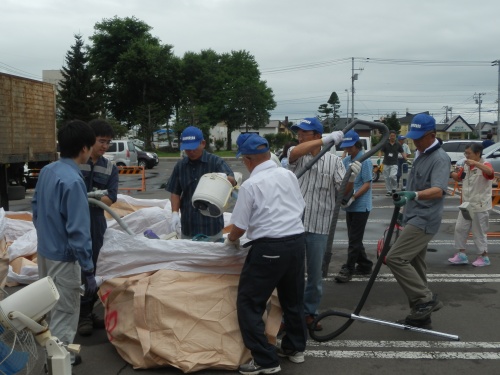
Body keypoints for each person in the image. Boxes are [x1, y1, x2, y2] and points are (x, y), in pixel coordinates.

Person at [225, 133, 307, 374]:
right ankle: (295, 347)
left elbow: (238, 226)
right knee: (292, 298)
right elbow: (299, 205)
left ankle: (265, 360)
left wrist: (230, 241)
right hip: (295, 241)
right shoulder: (287, 174)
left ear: (248, 159)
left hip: (269, 247)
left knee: (249, 302)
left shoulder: (251, 185)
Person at [32, 120, 97, 367]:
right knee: (66, 313)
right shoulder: (74, 181)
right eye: (91, 147)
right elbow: (79, 232)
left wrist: (47, 236)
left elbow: (36, 209)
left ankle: (61, 357)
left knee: (49, 310)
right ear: (84, 148)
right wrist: (88, 268)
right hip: (64, 258)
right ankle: (58, 364)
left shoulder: (49, 171)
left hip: (45, 252)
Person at [385, 113, 451, 329]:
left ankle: (425, 300)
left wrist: (414, 195)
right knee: (415, 264)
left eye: (419, 138)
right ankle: (421, 316)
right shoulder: (422, 153)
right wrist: (406, 204)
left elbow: (439, 190)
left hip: (425, 219)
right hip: (414, 215)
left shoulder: (440, 158)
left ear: (432, 135)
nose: (414, 142)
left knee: (395, 258)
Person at [287, 117, 348, 331]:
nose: (299, 136)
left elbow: (344, 194)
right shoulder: (296, 155)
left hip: (320, 225)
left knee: (314, 276)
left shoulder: (334, 162)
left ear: (315, 134)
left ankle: (309, 312)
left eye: (304, 132)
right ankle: (289, 313)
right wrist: (326, 140)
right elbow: (294, 153)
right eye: (299, 132)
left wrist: (351, 177)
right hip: (293, 225)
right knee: (290, 274)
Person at [77, 119, 119, 336]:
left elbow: (111, 197)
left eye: (108, 142)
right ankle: (80, 315)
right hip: (75, 221)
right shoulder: (76, 163)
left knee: (95, 266)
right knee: (78, 268)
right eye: (101, 141)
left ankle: (87, 311)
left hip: (96, 222)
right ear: (90, 140)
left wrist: (95, 198)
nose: (105, 146)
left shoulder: (109, 167)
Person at [165, 126, 236, 241]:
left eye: (194, 148)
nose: (191, 152)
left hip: (212, 226)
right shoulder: (180, 166)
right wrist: (174, 213)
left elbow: (232, 181)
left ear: (203, 143)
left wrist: (224, 178)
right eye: (187, 149)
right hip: (188, 226)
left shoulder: (216, 162)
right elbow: (175, 192)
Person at [334, 130, 373, 283]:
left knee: (354, 239)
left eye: (350, 146)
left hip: (361, 206)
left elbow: (367, 183)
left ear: (357, 145)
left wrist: (354, 196)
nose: (348, 149)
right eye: (346, 147)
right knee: (354, 238)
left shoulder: (366, 160)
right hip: (349, 205)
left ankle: (348, 268)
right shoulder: (346, 161)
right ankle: (365, 264)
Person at [448, 143, 494, 267]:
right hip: (466, 204)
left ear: (477, 153)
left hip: (479, 205)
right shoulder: (466, 166)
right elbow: (459, 178)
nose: (466, 155)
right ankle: (461, 254)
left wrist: (476, 164)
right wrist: (450, 171)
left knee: (479, 232)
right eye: (465, 153)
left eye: (469, 153)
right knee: (460, 228)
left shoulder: (485, 164)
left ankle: (483, 256)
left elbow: (490, 172)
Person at [378, 130, 406, 196]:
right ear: (389, 136)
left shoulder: (398, 144)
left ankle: (394, 188)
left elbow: (402, 152)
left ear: (395, 136)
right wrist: (379, 158)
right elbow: (381, 151)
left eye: (393, 136)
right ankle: (389, 191)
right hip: (386, 163)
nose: (392, 137)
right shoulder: (386, 144)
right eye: (391, 136)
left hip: (394, 163)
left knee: (392, 176)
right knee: (386, 178)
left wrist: (406, 159)